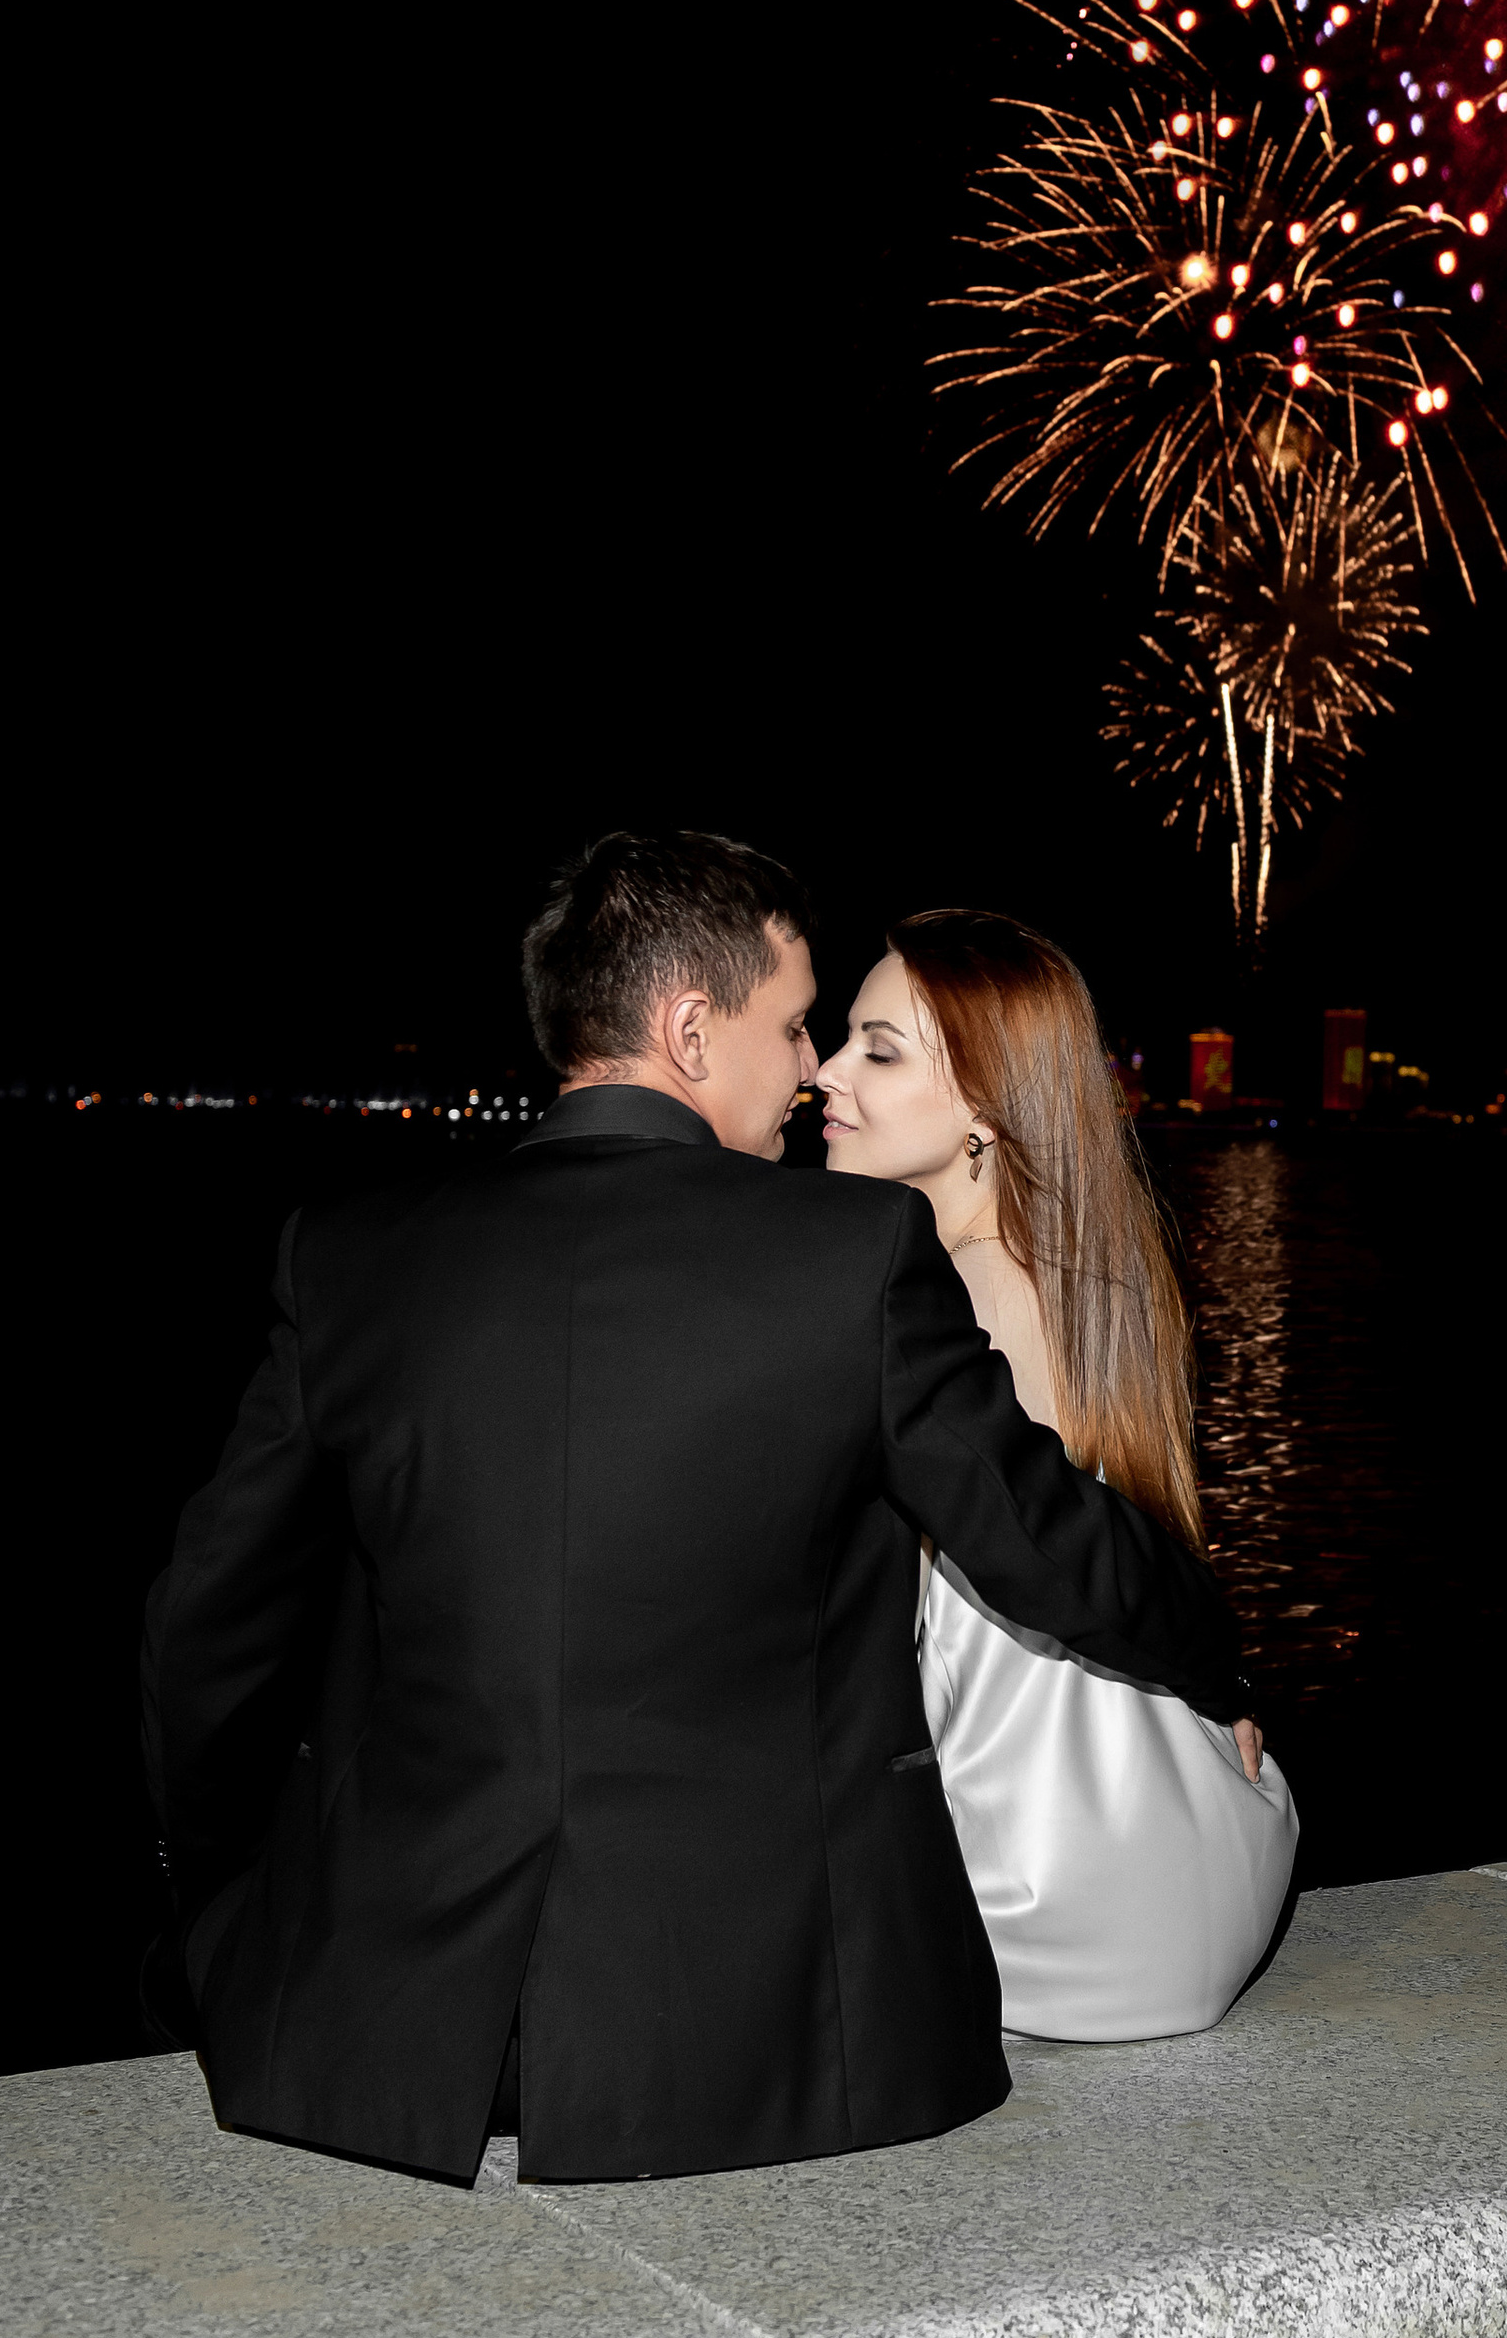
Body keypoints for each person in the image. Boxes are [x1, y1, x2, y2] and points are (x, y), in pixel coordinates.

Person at [141, 832, 1249, 2186]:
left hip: (390, 2026)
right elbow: (1047, 1546)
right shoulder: (849, 1256)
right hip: (768, 2042)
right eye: (790, 1027)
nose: (807, 1067)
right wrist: (1219, 1664)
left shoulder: (350, 1254)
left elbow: (208, 1625)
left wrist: (226, 1906)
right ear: (686, 1030)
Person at [816, 910, 1298, 2040]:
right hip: (1193, 1857)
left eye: (878, 1051)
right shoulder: (1087, 1281)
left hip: (1044, 1890)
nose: (827, 1073)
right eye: (841, 1039)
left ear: (984, 1111)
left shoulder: (948, 1309)